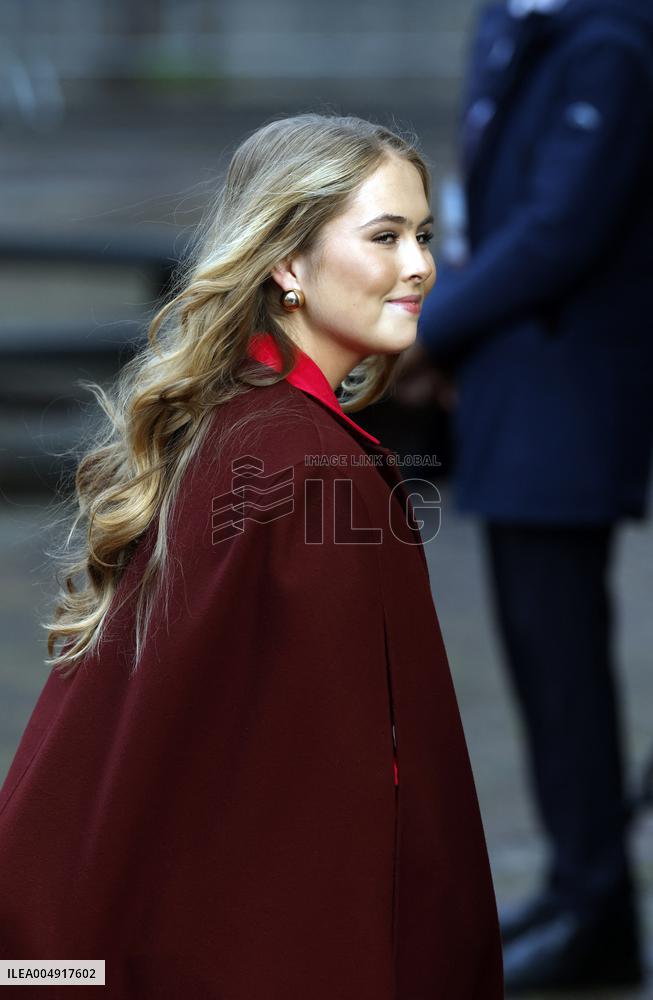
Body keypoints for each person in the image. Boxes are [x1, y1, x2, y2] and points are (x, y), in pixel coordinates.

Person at [0, 115, 503, 998]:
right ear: (285, 261)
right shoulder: (305, 466)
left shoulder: (245, 422)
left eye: (424, 236)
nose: (420, 266)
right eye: (383, 237)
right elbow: (337, 789)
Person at [397, 0, 653, 992]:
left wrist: (426, 331)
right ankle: (574, 886)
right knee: (536, 652)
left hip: (568, 386)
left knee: (558, 653)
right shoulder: (516, 16)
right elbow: (486, 200)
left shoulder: (609, 36)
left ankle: (594, 903)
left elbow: (560, 227)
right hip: (515, 375)